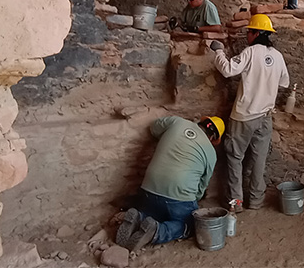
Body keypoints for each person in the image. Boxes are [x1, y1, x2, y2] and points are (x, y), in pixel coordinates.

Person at [209, 14, 289, 212]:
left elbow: (228, 70)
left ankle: (235, 203)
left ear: (257, 33)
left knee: (235, 158)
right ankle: (256, 200)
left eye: (250, 32)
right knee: (258, 160)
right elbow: (284, 82)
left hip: (244, 116)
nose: (248, 36)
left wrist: (218, 52)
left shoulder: (250, 52)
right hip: (265, 117)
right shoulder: (278, 56)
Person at [116, 115, 225, 251]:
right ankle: (157, 231)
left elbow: (154, 128)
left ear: (201, 122)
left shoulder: (177, 122)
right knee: (189, 224)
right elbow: (202, 187)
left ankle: (138, 216)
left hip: (148, 189)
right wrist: (191, 201)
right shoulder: (211, 153)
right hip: (178, 198)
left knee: (154, 212)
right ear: (213, 138)